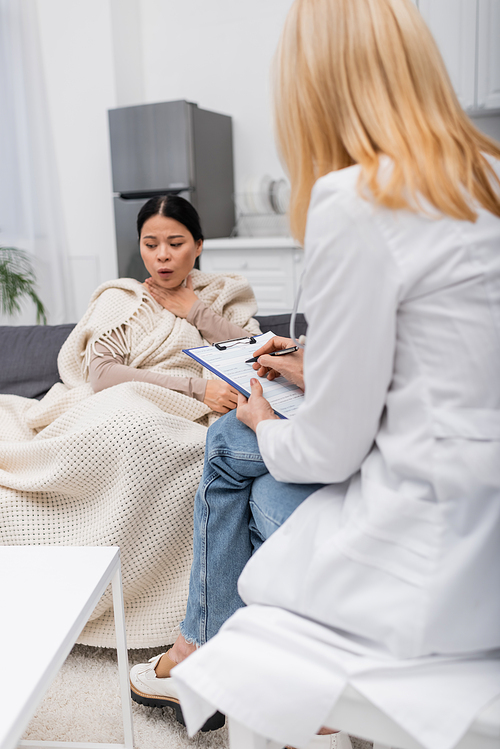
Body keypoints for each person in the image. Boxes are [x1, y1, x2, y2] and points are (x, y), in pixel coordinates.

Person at [131, 0, 500, 742]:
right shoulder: (484, 177)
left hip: (437, 564)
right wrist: (311, 366)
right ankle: (202, 633)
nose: (162, 254)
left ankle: (202, 639)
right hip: (483, 512)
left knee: (234, 446)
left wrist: (265, 414)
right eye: (151, 242)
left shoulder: (360, 198)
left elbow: (333, 447)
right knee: (244, 453)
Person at [0, 195, 260, 648]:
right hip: (119, 404)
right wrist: (198, 390)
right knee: (132, 426)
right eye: (151, 243)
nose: (162, 255)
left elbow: (256, 354)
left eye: (175, 243)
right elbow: (102, 376)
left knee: (184, 449)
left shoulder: (222, 295)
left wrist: (193, 310)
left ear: (197, 245)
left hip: (187, 420)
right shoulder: (122, 298)